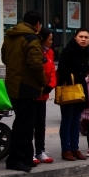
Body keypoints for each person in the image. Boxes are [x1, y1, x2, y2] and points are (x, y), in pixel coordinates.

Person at [2, 10, 48, 172]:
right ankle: (15, 160)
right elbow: (35, 64)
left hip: (13, 83)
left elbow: (4, 58)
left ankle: (26, 157)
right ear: (37, 24)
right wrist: (43, 82)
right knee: (24, 125)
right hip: (27, 86)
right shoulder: (32, 38)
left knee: (24, 123)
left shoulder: (11, 36)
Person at [57, 28, 89, 161]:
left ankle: (75, 148)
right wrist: (74, 78)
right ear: (75, 37)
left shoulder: (85, 52)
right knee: (67, 120)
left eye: (86, 37)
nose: (83, 39)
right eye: (81, 36)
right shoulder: (68, 50)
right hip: (69, 87)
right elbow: (61, 68)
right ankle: (66, 150)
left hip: (80, 89)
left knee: (76, 120)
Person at [33, 29, 57, 165]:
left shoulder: (50, 52)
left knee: (41, 125)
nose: (51, 42)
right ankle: (29, 152)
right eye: (50, 39)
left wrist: (51, 85)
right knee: (30, 125)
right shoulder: (35, 52)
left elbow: (52, 70)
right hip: (32, 93)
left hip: (43, 95)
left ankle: (40, 151)